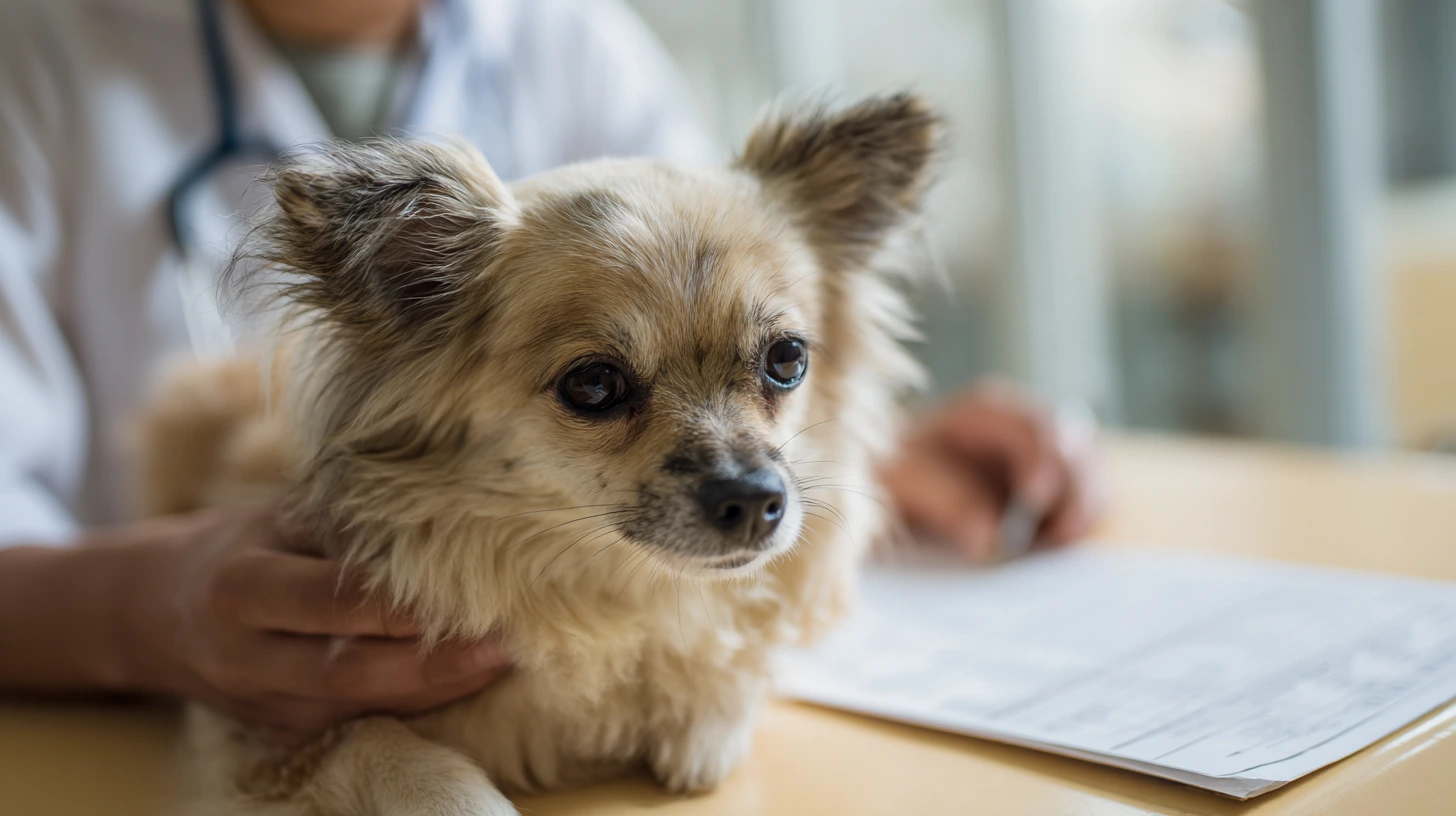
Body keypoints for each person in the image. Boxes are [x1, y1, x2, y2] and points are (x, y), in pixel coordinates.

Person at [0, 0, 1105, 743]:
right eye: (595, 387)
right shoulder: (34, 56)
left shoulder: (569, 31)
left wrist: (881, 446)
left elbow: (715, 314)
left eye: (783, 367)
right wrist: (138, 609)